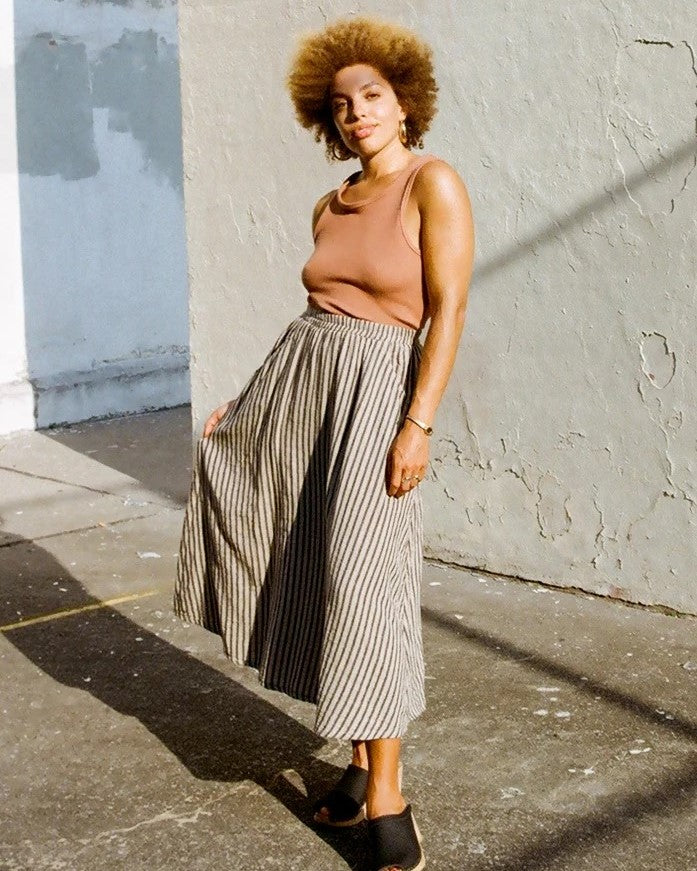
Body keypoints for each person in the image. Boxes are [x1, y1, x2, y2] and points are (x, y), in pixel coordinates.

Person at [174, 14, 474, 871]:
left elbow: (447, 311)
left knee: (367, 587)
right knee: (311, 567)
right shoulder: (330, 201)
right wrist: (247, 401)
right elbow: (316, 316)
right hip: (305, 387)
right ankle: (354, 766)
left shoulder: (432, 183)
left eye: (371, 96)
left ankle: (389, 797)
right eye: (340, 104)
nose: (357, 114)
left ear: (404, 101)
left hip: (378, 396)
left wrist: (416, 422)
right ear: (326, 117)